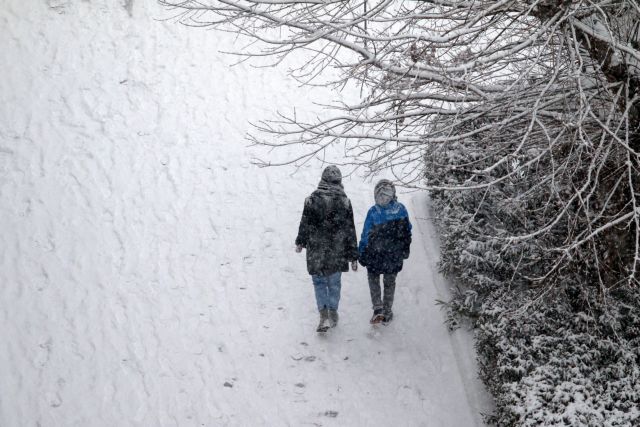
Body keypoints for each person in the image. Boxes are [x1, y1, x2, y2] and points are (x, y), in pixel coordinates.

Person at [295, 166, 358, 332]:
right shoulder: (344, 201)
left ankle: (323, 314)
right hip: (337, 250)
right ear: (339, 181)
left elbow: (305, 223)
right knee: (334, 283)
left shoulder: (311, 200)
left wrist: (301, 241)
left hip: (316, 249)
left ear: (322, 180)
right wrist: (352, 254)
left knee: (319, 282)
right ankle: (332, 311)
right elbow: (349, 228)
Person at [358, 179, 412, 324]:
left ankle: (378, 308)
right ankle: (387, 311)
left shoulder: (374, 211)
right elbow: (408, 231)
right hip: (393, 255)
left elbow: (366, 234)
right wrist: (405, 249)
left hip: (375, 253)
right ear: (393, 193)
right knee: (390, 282)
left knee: (373, 279)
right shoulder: (401, 210)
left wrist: (361, 251)